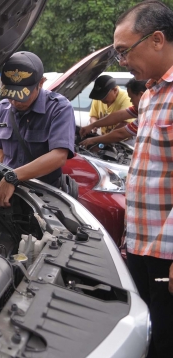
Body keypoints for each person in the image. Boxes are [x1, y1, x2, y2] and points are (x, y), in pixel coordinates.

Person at [114, 1, 173, 357]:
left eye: (124, 51)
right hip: (139, 241)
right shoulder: (151, 92)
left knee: (165, 339)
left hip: (166, 252)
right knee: (144, 329)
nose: (122, 62)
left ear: (156, 39)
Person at [0, 51, 75, 210]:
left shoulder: (59, 108)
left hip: (43, 197)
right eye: (10, 94)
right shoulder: (3, 108)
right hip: (8, 193)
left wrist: (12, 178)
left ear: (41, 82)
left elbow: (59, 157)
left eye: (21, 96)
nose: (14, 101)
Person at [79, 78, 147, 148]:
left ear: (141, 95)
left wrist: (94, 140)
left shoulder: (148, 115)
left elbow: (121, 134)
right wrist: (92, 125)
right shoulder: (140, 109)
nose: (130, 101)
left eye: (132, 98)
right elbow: (118, 116)